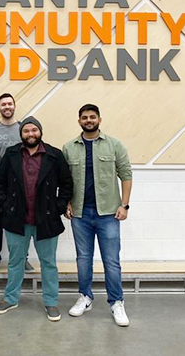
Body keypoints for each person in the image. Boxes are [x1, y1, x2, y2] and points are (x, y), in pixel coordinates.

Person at [0, 117, 73, 322]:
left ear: (40, 132)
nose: (30, 134)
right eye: (26, 131)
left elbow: (66, 184)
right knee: (15, 262)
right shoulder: (11, 154)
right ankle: (11, 299)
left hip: (46, 219)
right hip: (16, 218)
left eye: (34, 130)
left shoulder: (55, 155)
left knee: (48, 263)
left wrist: (58, 207)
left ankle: (51, 302)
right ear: (21, 134)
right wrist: (4, 204)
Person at [63, 104, 132, 327]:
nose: (89, 120)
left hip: (109, 213)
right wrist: (67, 203)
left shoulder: (114, 145)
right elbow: (64, 181)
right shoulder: (69, 147)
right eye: (84, 117)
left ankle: (116, 302)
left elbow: (126, 175)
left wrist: (125, 205)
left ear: (99, 119)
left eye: (92, 117)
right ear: (79, 121)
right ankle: (85, 297)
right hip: (81, 214)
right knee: (83, 260)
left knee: (111, 261)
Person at [0, 93, 34, 272]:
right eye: (3, 104)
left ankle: (23, 258)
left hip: (21, 184)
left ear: (14, 106)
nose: (7, 107)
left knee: (22, 222)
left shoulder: (24, 128)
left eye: (9, 104)